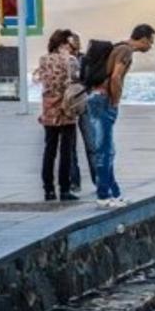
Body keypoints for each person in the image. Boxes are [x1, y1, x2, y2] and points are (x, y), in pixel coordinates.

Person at [88, 23, 155, 209]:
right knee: (104, 151)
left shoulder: (118, 47)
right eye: (151, 42)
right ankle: (103, 196)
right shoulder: (126, 51)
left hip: (95, 98)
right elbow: (116, 76)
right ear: (143, 39)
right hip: (104, 100)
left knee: (108, 150)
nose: (151, 46)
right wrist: (115, 101)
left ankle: (114, 194)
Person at [34, 28, 80, 201]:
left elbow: (42, 81)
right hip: (67, 109)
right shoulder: (71, 60)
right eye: (69, 43)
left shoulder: (43, 60)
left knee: (49, 150)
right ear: (63, 43)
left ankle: (48, 189)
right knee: (66, 151)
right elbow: (76, 83)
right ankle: (65, 189)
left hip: (48, 109)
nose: (72, 46)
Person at [67, 32, 97, 191]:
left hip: (84, 103)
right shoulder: (62, 60)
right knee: (70, 146)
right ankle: (74, 181)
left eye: (76, 43)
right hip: (69, 106)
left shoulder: (86, 59)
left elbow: (91, 79)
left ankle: (97, 179)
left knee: (91, 143)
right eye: (71, 43)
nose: (74, 46)